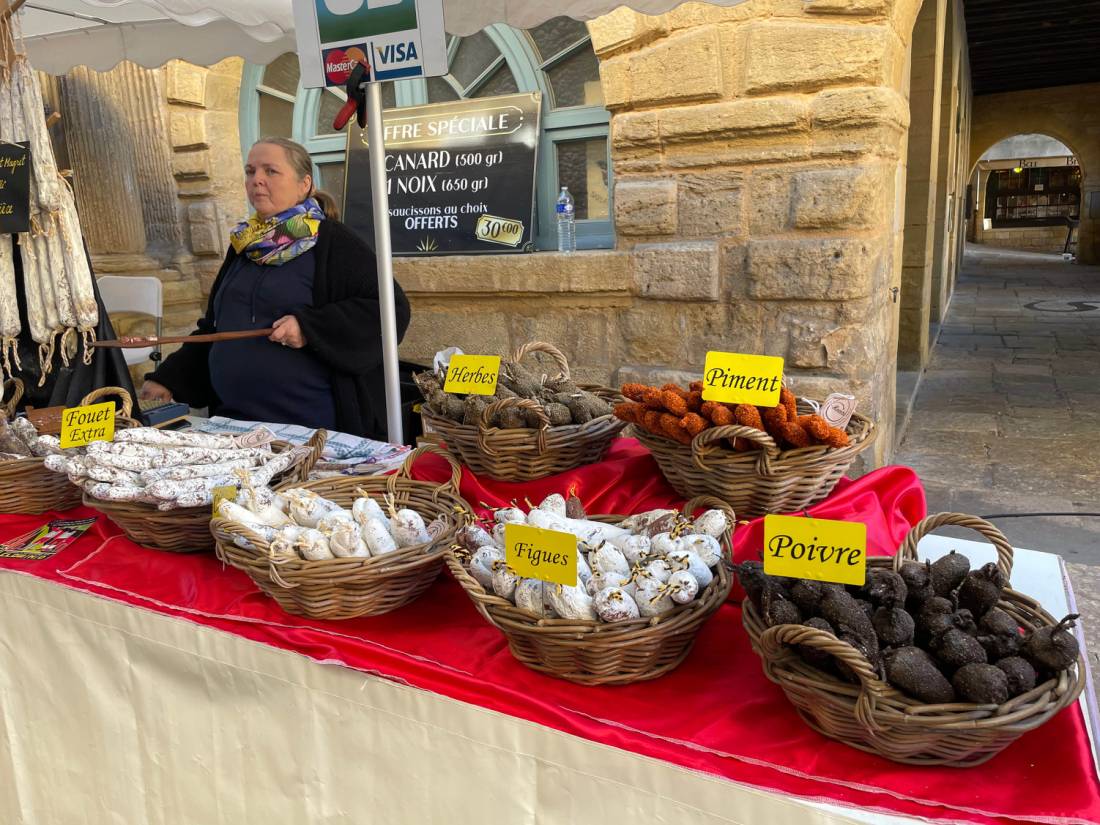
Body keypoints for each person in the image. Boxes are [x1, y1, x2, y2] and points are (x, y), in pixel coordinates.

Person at [141, 137, 410, 440]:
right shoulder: (244, 245)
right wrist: (168, 379)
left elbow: (389, 309)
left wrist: (309, 327)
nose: (256, 180)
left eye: (270, 171)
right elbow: (215, 328)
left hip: (311, 431)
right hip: (234, 426)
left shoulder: (332, 241)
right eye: (250, 171)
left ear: (304, 184)